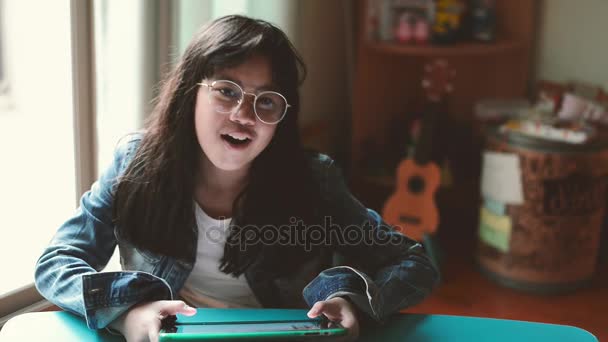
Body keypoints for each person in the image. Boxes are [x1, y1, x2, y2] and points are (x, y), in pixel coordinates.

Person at [35, 15, 439, 342]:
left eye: (266, 101)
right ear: (188, 94)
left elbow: (413, 262)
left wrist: (354, 302)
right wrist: (128, 313)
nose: (245, 115)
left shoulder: (315, 180)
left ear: (282, 119)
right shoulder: (133, 165)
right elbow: (56, 264)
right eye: (227, 91)